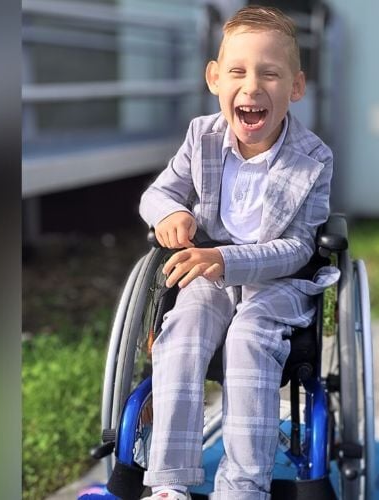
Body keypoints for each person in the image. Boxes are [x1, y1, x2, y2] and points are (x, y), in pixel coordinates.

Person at [139, 5, 338, 500]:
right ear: (214, 78)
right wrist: (169, 213)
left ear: (296, 86)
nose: (252, 87)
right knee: (183, 326)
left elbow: (298, 247)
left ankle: (244, 487)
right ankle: (169, 482)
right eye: (237, 72)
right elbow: (158, 193)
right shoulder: (201, 137)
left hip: (279, 282)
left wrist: (229, 261)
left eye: (270, 73)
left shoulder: (313, 159)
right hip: (209, 276)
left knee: (249, 336)